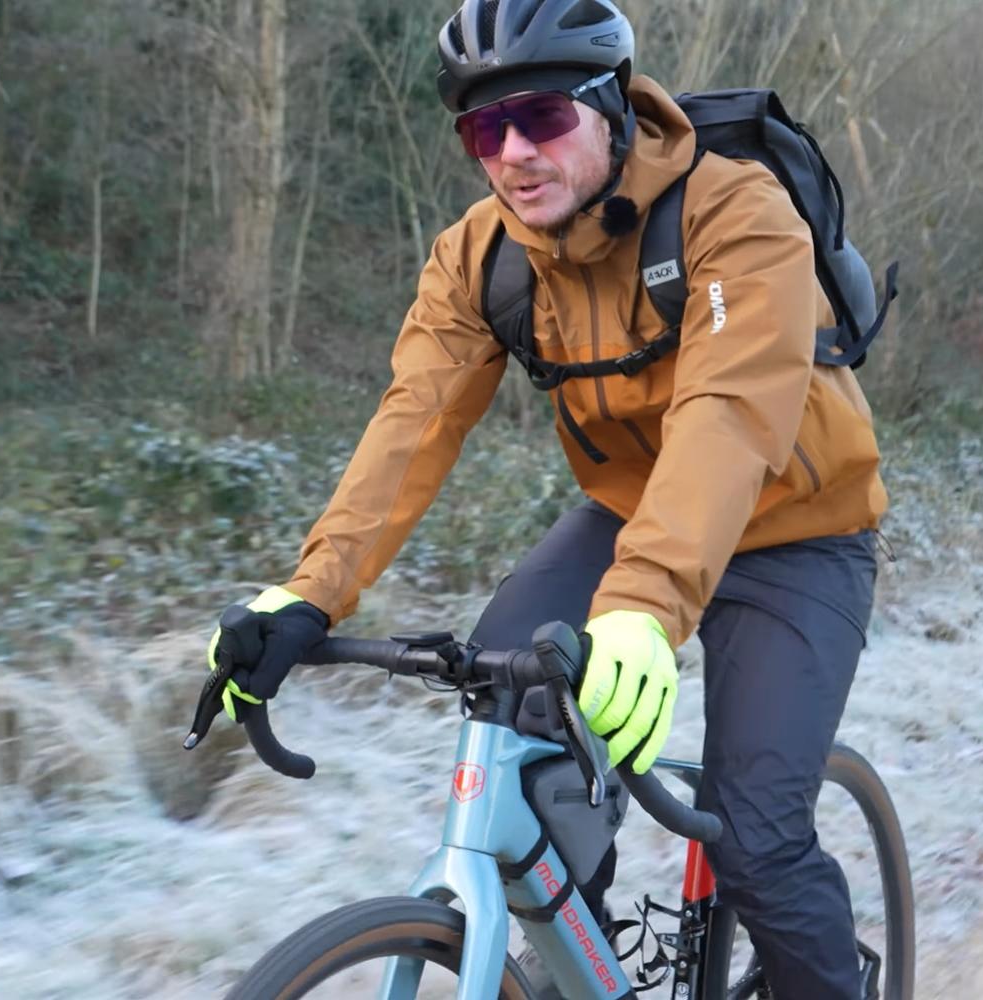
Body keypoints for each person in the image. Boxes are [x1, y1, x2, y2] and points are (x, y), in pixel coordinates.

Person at [201, 1, 888, 997]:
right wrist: (313, 595)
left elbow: (730, 417)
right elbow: (412, 426)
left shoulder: (734, 212)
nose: (515, 152)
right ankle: (587, 966)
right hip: (632, 514)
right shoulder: (484, 258)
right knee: (518, 734)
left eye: (543, 118)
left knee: (756, 838)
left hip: (800, 534)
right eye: (487, 129)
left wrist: (644, 610)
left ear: (612, 108)